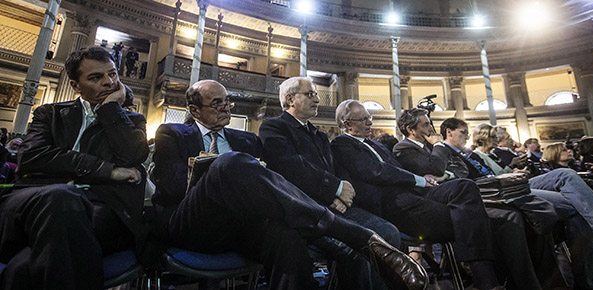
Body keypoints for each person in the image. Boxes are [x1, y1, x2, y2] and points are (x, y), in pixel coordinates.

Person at [152, 80, 427, 290]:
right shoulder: (172, 133)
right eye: (217, 103)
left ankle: (353, 237)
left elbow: (270, 183)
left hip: (243, 223)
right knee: (228, 164)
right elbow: (170, 186)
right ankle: (359, 237)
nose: (226, 108)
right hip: (193, 219)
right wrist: (204, 172)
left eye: (228, 102)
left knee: (287, 236)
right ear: (194, 109)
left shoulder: (246, 139)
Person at [0, 46, 148, 290]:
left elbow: (133, 155)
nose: (109, 82)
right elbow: (32, 157)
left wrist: (111, 109)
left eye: (112, 74)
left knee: (22, 269)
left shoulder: (130, 121)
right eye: (95, 77)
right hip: (33, 201)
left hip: (97, 210)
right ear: (75, 85)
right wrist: (106, 170)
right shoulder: (50, 114)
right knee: (59, 196)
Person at [331, 100, 503, 290]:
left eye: (369, 117)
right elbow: (376, 171)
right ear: (348, 124)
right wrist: (418, 179)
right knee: (471, 218)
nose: (370, 123)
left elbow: (398, 169)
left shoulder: (376, 145)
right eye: (364, 119)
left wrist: (422, 177)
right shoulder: (342, 144)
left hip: (415, 192)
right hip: (392, 202)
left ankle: (478, 274)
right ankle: (485, 280)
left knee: (465, 186)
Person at [259, 76, 400, 290]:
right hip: (304, 211)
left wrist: (341, 193)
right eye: (310, 94)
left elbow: (332, 170)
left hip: (333, 206)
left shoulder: (319, 135)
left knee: (388, 232)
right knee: (358, 247)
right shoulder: (274, 127)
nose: (317, 99)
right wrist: (334, 190)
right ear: (290, 99)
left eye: (316, 94)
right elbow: (291, 168)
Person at [392, 109, 546, 290]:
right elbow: (437, 168)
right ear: (411, 129)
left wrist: (442, 171)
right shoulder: (403, 148)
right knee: (469, 191)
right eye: (425, 124)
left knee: (510, 218)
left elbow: (452, 171)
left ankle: (519, 282)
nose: (431, 128)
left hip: (457, 197)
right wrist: (439, 147)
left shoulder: (428, 147)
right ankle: (481, 276)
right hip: (432, 202)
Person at [472, 123, 593, 275]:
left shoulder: (493, 156)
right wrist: (513, 167)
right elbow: (493, 178)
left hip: (517, 183)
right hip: (503, 190)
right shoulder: (476, 156)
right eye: (493, 138)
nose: (497, 140)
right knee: (577, 199)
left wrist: (514, 169)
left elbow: (502, 173)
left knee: (568, 177)